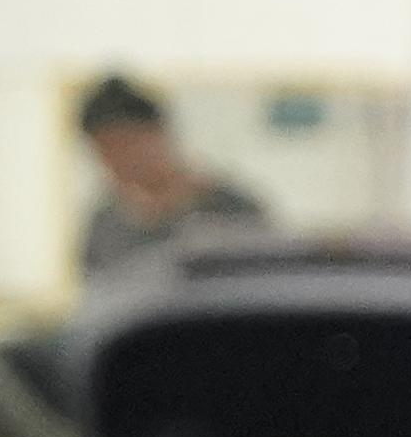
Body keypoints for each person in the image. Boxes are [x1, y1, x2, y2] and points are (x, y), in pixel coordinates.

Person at [71, 74, 266, 282]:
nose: (116, 161)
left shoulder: (233, 209)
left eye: (125, 145)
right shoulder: (106, 224)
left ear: (159, 134)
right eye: (104, 150)